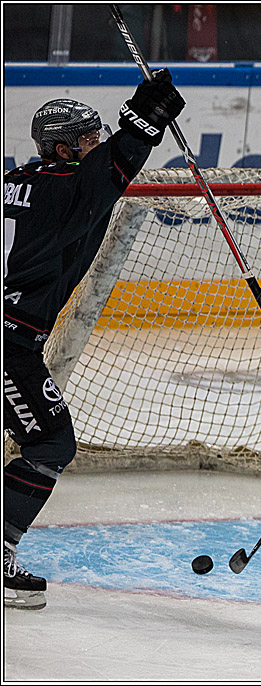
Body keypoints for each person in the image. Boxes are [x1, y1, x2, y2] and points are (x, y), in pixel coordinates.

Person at [3, 73, 186, 610]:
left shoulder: (17, 181)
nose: (95, 145)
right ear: (62, 150)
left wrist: (143, 119)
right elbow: (117, 164)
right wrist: (145, 116)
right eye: (86, 140)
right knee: (51, 443)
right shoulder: (66, 187)